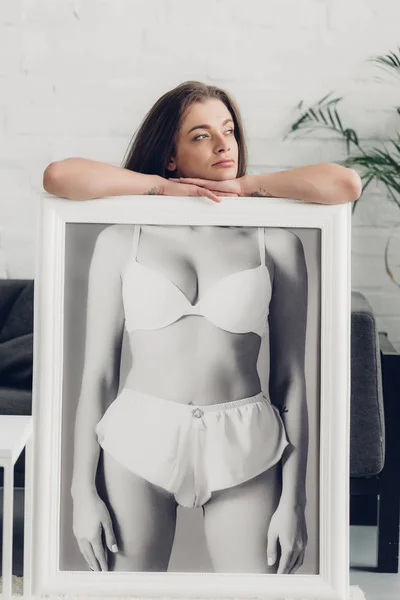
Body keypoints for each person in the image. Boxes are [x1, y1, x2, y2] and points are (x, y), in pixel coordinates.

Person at [43, 81, 361, 575]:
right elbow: (99, 377)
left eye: (229, 131)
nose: (223, 144)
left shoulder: (274, 244)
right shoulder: (121, 239)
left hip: (246, 447)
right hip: (138, 442)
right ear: (170, 155)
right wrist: (82, 492)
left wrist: (293, 503)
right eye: (201, 135)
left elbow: (292, 380)